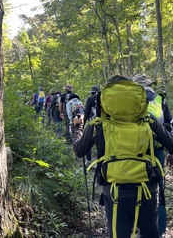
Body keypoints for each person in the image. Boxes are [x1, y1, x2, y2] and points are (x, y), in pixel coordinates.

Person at [72, 75, 173, 238]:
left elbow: (79, 151)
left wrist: (77, 128)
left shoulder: (98, 124)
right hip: (147, 188)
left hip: (114, 191)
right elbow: (171, 144)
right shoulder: (148, 120)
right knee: (150, 233)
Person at [133, 73, 172, 237]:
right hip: (156, 151)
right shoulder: (159, 99)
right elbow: (169, 125)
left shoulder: (127, 102)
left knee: (134, 187)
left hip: (133, 151)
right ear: (150, 84)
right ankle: (159, 229)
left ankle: (135, 226)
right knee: (158, 190)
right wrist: (171, 151)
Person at [83, 85, 100, 166]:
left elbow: (86, 112)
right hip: (101, 123)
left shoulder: (90, 99)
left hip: (92, 122)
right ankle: (99, 160)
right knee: (99, 142)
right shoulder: (102, 98)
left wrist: (83, 123)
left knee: (89, 140)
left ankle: (88, 160)